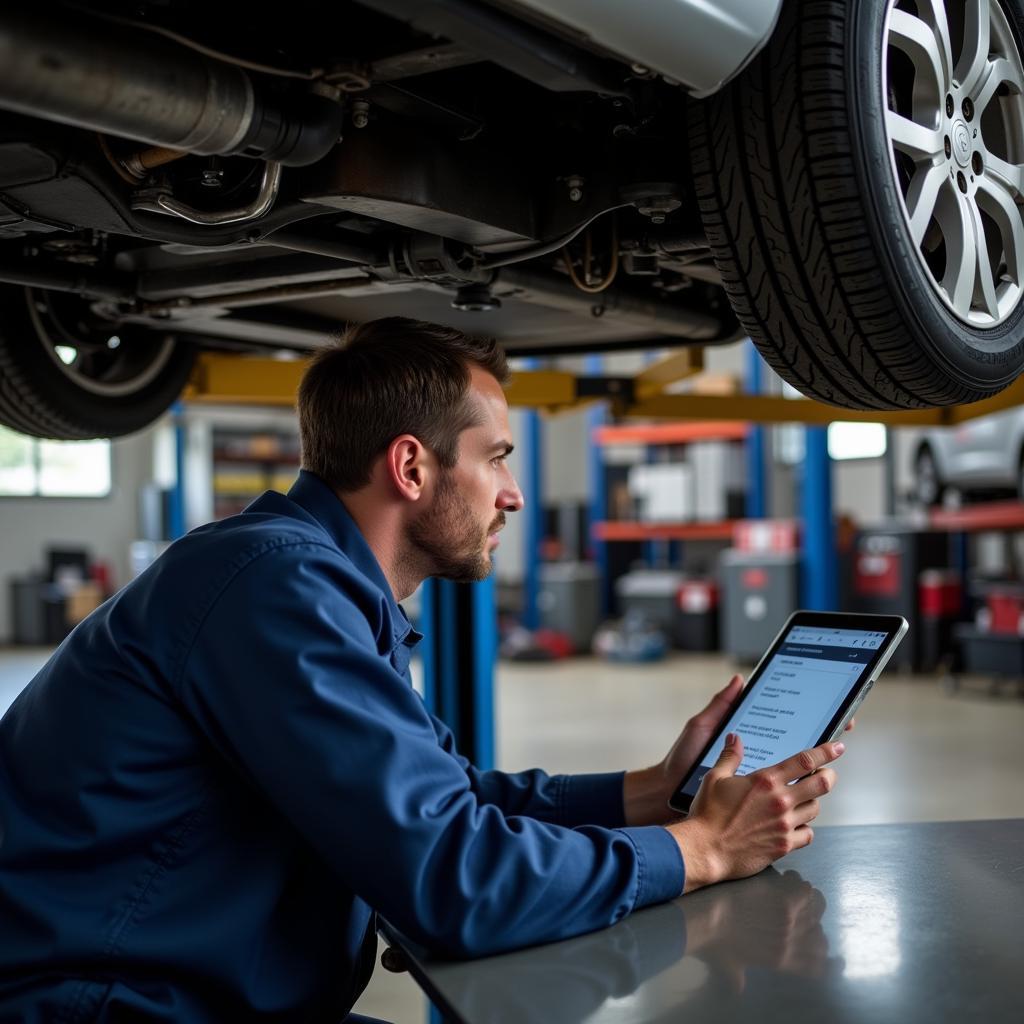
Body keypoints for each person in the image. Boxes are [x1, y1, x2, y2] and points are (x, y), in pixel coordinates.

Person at [0, 318, 844, 1023]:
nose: (512, 493)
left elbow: (450, 799)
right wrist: (699, 848)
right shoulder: (278, 588)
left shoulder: (303, 582)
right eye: (498, 457)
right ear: (411, 467)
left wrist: (653, 791)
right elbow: (456, 883)